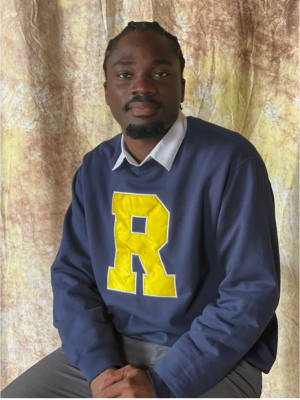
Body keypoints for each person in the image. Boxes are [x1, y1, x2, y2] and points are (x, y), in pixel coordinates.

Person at [2, 21, 280, 398]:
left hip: (209, 356)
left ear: (182, 86)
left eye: (161, 73)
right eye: (125, 74)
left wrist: (163, 382)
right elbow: (72, 278)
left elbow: (250, 291)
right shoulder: (94, 169)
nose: (142, 86)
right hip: (113, 349)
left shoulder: (231, 161)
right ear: (106, 91)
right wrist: (100, 368)